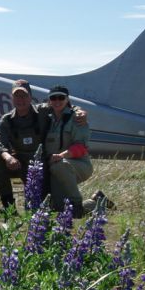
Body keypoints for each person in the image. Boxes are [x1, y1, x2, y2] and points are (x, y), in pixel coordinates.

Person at [0, 79, 88, 212]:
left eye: (24, 95)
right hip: (19, 162)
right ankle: (9, 207)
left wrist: (79, 111)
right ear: (11, 98)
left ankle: (90, 203)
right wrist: (8, 158)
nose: (21, 99)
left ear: (31, 97)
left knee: (47, 207)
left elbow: (63, 106)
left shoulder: (43, 111)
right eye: (17, 96)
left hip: (41, 164)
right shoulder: (6, 120)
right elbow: (0, 145)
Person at [44, 85, 93, 218]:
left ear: (67, 99)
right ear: (49, 100)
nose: (57, 101)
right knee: (59, 208)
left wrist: (61, 156)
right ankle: (97, 201)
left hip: (78, 165)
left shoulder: (76, 118)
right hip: (55, 168)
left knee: (60, 165)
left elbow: (81, 147)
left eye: (61, 97)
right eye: (53, 98)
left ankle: (77, 204)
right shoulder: (46, 116)